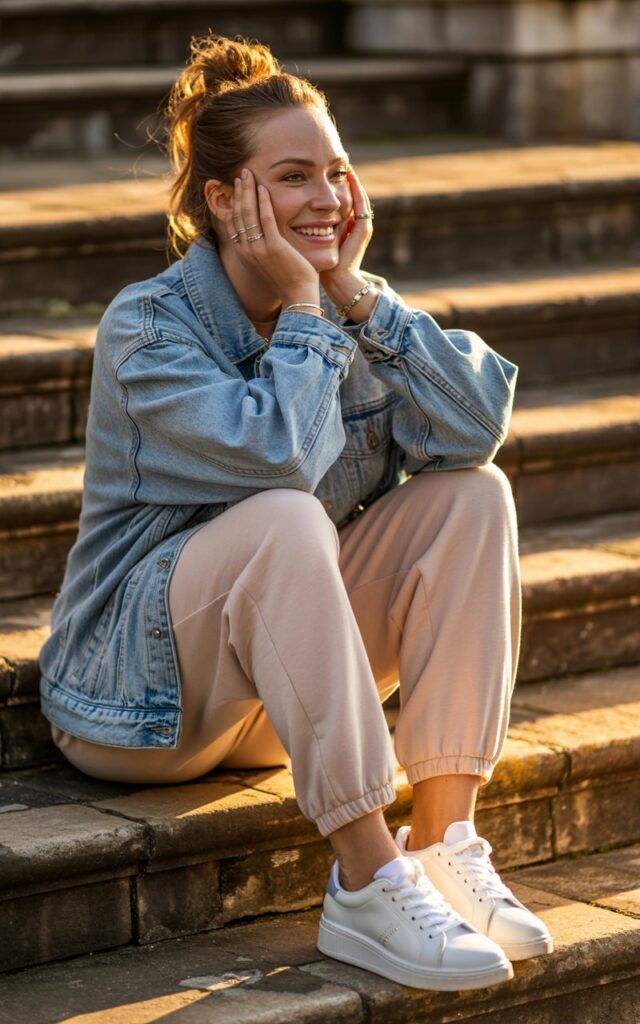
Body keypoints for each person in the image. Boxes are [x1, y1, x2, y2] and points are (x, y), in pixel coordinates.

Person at [39, 33, 553, 991]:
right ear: (225, 198)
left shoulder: (347, 309)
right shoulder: (148, 327)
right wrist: (311, 316)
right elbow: (276, 455)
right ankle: (366, 879)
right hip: (137, 705)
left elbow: (476, 428)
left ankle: (444, 842)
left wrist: (354, 295)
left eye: (338, 171)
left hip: (276, 700)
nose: (327, 198)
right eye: (293, 176)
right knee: (285, 518)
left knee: (472, 497)